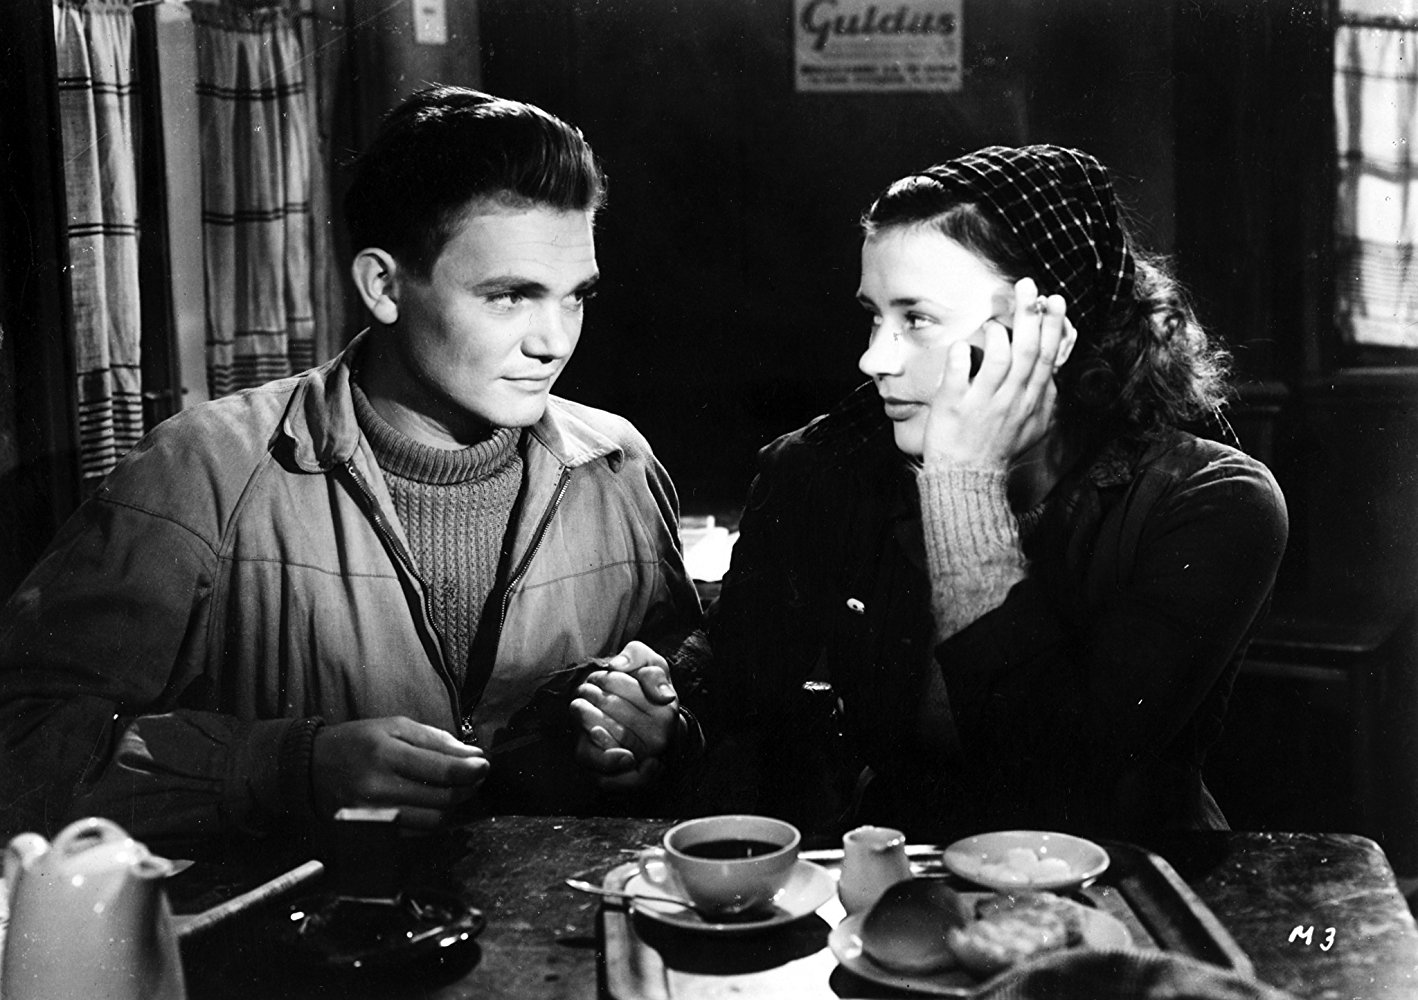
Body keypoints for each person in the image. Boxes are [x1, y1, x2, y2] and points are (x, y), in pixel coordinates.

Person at [0, 86, 702, 854]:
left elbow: (691, 693)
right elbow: (21, 744)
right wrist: (283, 768)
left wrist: (657, 731)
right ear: (383, 286)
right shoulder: (202, 471)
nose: (554, 342)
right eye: (510, 297)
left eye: (575, 299)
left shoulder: (617, 468)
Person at [695, 145, 1288, 842]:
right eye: (874, 316)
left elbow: (1054, 783)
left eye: (917, 319)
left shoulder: (1214, 500)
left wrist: (962, 486)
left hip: (1127, 880)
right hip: (898, 879)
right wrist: (661, 711)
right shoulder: (823, 466)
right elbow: (736, 679)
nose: (874, 359)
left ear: (1049, 331)